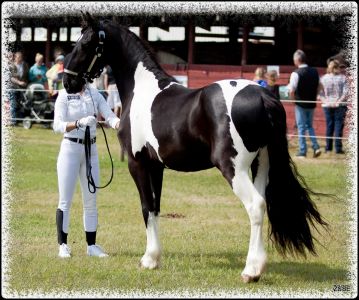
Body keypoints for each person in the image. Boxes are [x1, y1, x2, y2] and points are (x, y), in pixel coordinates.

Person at [53, 77, 121, 258]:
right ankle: (63, 245)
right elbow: (57, 125)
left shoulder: (94, 93)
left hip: (91, 149)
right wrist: (78, 123)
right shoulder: (64, 95)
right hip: (70, 148)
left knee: (91, 200)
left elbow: (109, 114)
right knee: (65, 200)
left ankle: (91, 245)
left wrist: (117, 124)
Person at [288, 49, 321, 158]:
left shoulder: (295, 73)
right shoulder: (315, 71)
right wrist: (315, 96)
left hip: (300, 103)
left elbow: (291, 90)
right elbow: (320, 86)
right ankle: (316, 147)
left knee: (301, 127)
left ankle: (302, 151)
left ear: (297, 60)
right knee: (309, 126)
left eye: (294, 60)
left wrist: (293, 101)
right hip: (311, 103)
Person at [317, 59, 348, 154]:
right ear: (338, 67)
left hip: (327, 105)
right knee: (338, 126)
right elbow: (346, 93)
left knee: (329, 126)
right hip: (340, 105)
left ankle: (328, 148)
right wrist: (338, 101)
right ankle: (338, 149)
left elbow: (319, 94)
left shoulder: (323, 78)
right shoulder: (343, 78)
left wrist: (326, 101)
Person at [9, 51, 29, 124]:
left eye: (21, 57)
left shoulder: (25, 65)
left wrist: (25, 83)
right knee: (13, 104)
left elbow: (27, 76)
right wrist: (19, 82)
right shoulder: (11, 66)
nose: (20, 59)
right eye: (18, 57)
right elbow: (11, 78)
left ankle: (20, 119)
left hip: (23, 88)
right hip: (13, 87)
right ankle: (13, 121)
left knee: (21, 104)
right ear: (15, 58)